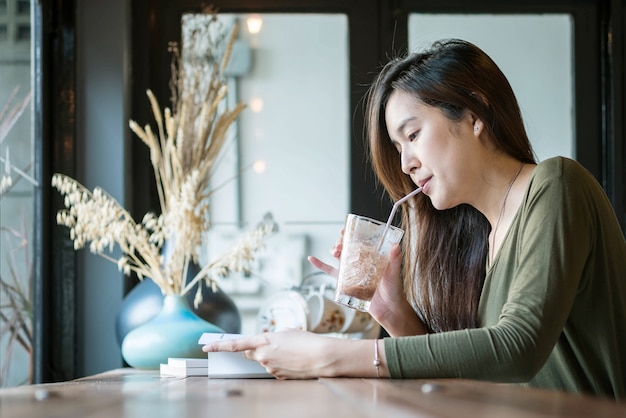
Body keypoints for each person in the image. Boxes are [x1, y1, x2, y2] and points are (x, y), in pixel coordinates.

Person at [203, 39, 626, 399]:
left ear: (474, 114)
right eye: (397, 146)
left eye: (412, 135)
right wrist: (394, 314)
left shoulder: (556, 185)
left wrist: (327, 356)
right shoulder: (484, 233)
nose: (405, 163)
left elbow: (517, 349)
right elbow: (477, 374)